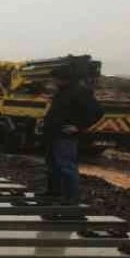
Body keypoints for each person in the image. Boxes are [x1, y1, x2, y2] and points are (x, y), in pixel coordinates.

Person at [41, 66, 103, 205]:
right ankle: (54, 192)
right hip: (53, 134)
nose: (53, 81)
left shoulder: (80, 92)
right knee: (53, 165)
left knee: (66, 166)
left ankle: (71, 198)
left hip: (65, 136)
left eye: (55, 79)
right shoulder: (62, 92)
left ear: (64, 79)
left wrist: (78, 127)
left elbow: (98, 112)